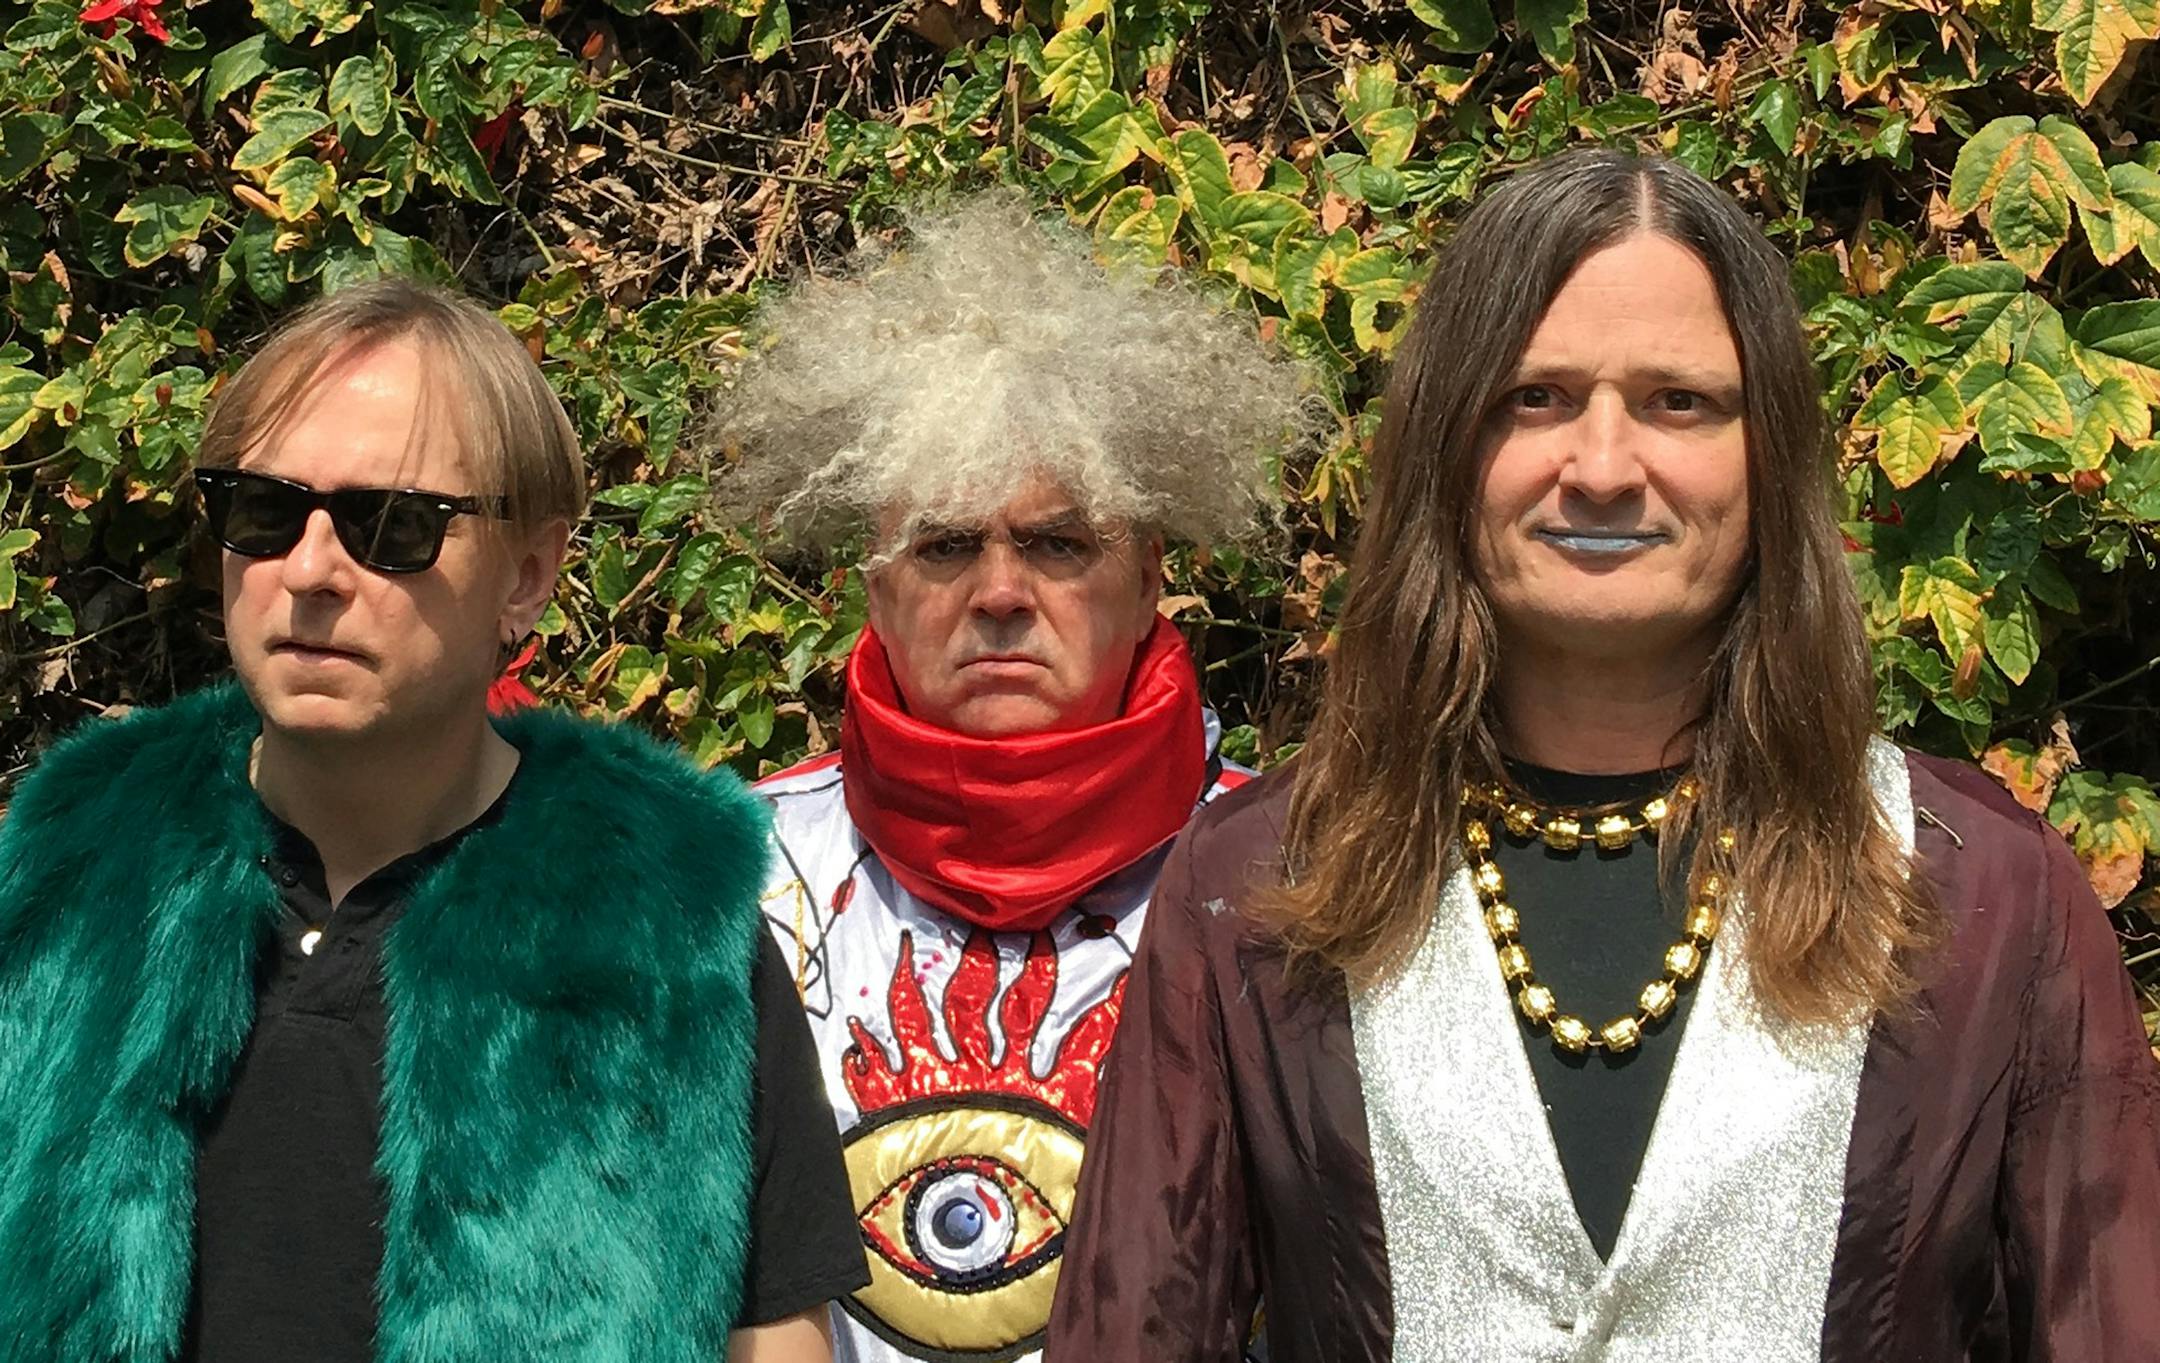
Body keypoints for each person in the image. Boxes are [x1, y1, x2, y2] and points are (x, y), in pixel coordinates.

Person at [1049, 148, 2160, 1361]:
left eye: (1679, 401)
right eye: (1535, 397)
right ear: (1445, 447)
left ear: (1769, 451)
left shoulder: (1988, 893)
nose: (1603, 467)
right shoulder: (1258, 883)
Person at [0, 279, 868, 1363]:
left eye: (392, 525)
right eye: (264, 511)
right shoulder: (75, 876)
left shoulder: (662, 929)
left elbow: (776, 1339)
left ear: (530, 574)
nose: (310, 571)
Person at [707, 192, 1318, 1363]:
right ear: (877, 587)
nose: (999, 592)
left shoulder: (1304, 877)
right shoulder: (726, 875)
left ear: (1146, 579)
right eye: (944, 545)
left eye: (1056, 542)